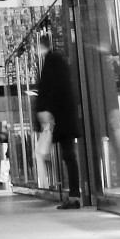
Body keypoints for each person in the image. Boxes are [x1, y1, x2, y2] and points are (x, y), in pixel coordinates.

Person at [34, 31, 81, 210]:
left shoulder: (51, 62)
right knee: (68, 154)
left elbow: (48, 90)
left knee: (68, 155)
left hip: (60, 119)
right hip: (63, 117)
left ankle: (74, 196)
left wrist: (44, 112)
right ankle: (73, 194)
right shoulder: (57, 61)